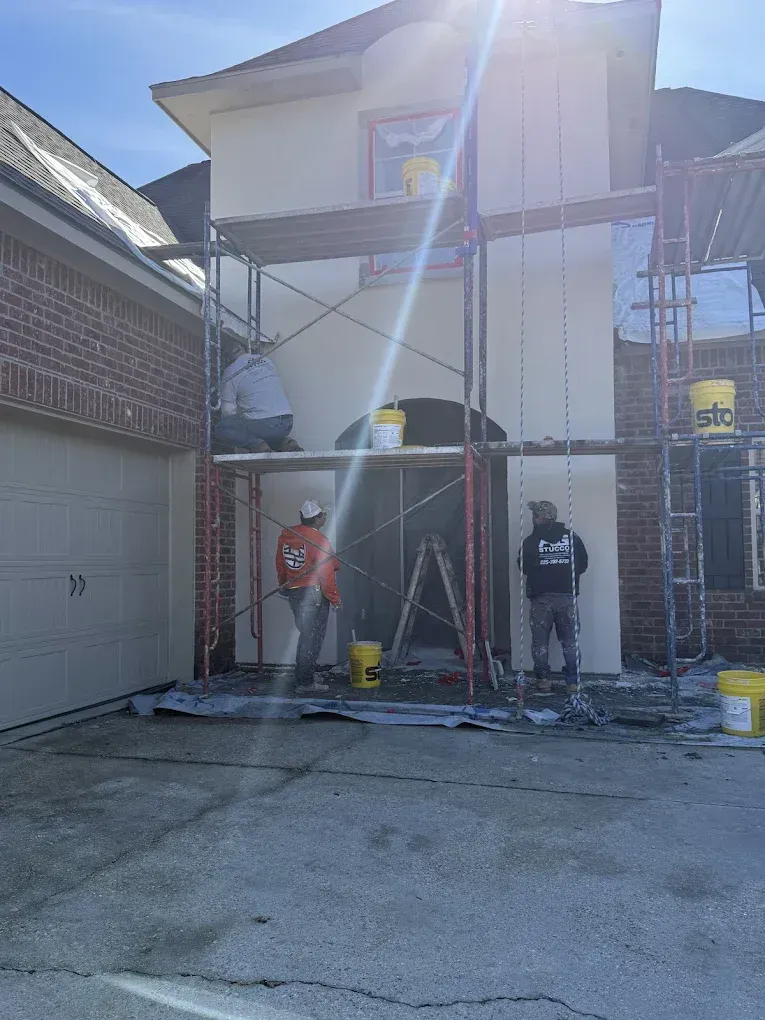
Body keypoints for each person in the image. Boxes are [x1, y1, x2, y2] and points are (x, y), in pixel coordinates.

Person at [517, 500, 588, 694]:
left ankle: (544, 682)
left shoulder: (531, 542)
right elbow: (582, 564)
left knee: (540, 643)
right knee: (570, 642)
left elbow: (522, 566)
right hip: (567, 598)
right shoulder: (572, 538)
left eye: (535, 516)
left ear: (539, 518)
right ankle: (573, 683)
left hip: (541, 599)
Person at [276, 500, 342, 694]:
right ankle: (305, 682)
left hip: (294, 591)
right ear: (318, 518)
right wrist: (335, 598)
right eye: (324, 515)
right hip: (313, 593)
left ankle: (306, 675)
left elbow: (280, 563)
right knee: (311, 638)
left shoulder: (287, 536)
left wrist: (283, 584)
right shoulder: (319, 539)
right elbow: (326, 574)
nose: (325, 518)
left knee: (306, 636)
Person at [215, 351, 301, 452]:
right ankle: (286, 444)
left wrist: (237, 427)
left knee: (223, 427)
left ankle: (259, 446)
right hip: (287, 422)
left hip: (265, 423)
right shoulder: (266, 361)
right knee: (265, 432)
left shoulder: (231, 371)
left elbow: (228, 411)